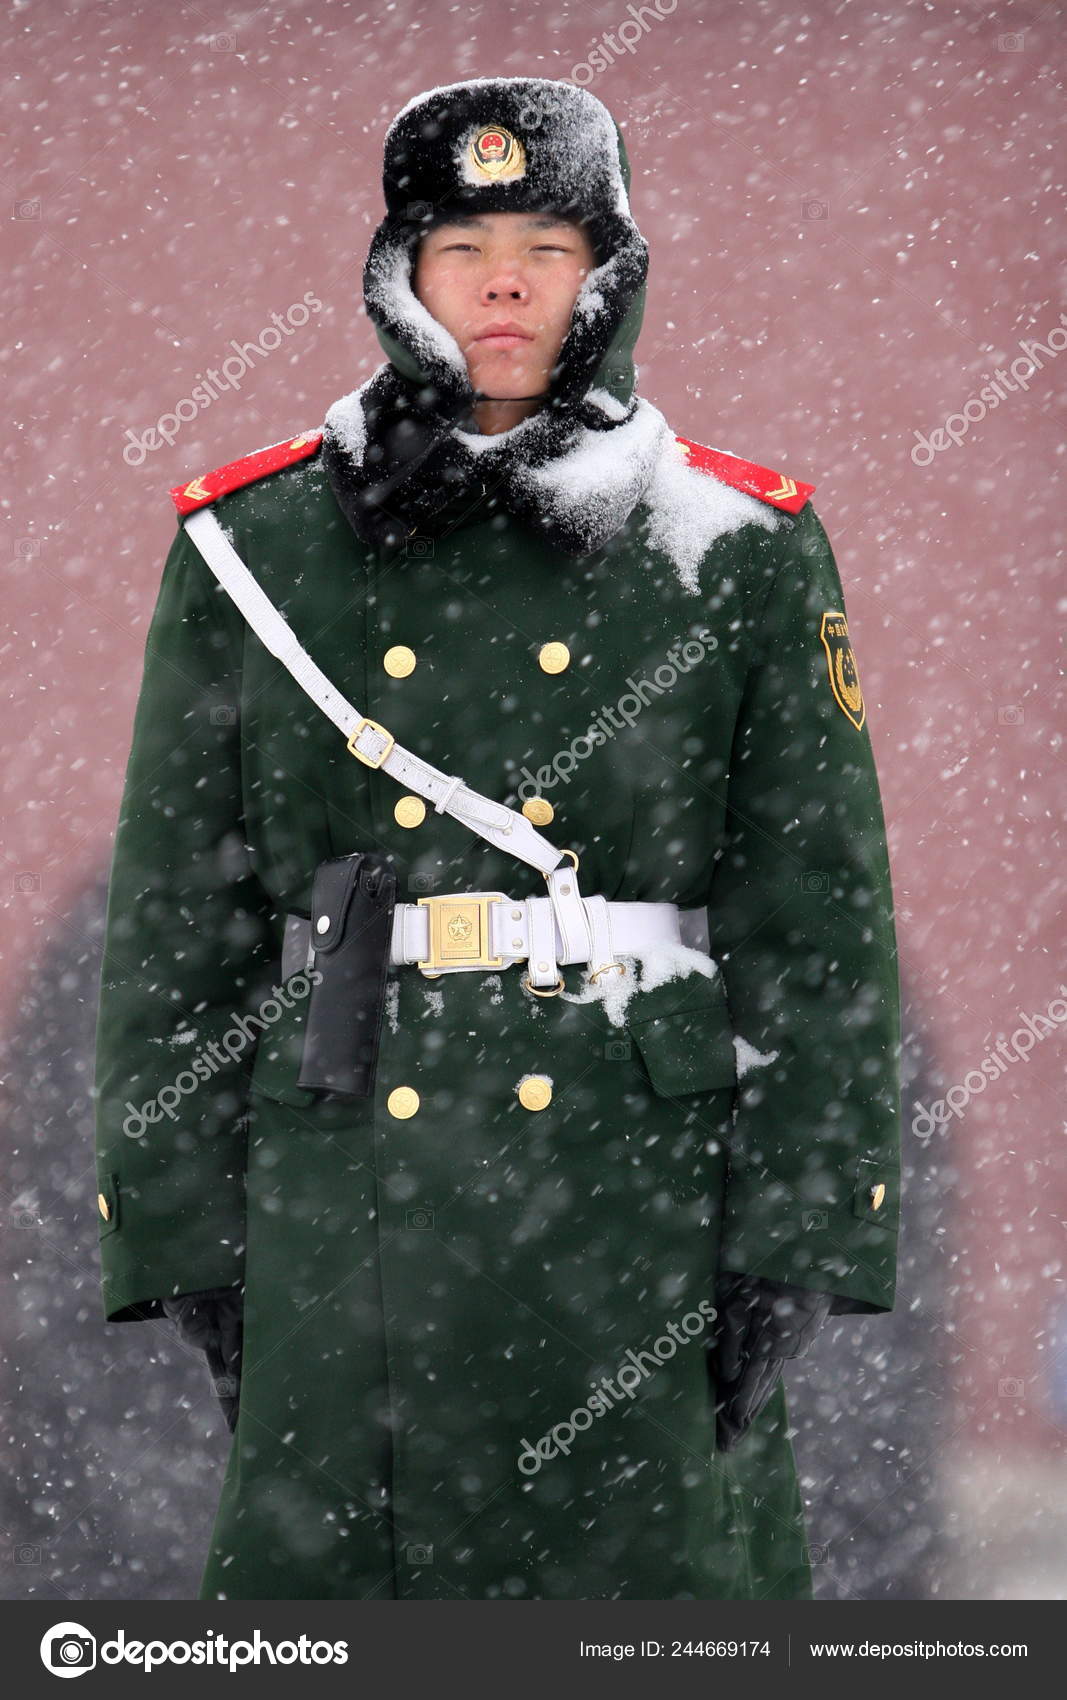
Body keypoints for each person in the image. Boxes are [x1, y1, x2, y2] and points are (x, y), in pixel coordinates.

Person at [93, 75, 901, 1602]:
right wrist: (181, 1237)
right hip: (350, 1186)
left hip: (639, 1188)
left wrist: (806, 1233)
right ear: (401, 275)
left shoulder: (740, 546)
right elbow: (174, 929)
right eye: (464, 248)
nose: (508, 286)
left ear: (612, 273)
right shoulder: (256, 546)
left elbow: (820, 924)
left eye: (548, 243)